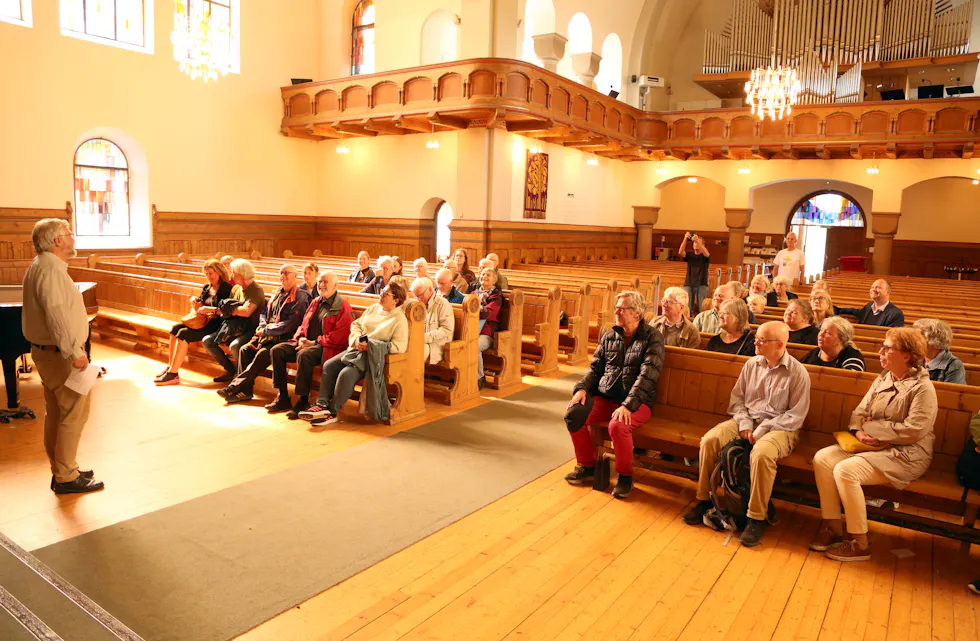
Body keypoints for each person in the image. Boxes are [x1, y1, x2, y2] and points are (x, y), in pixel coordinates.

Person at [809, 328, 937, 561]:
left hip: (907, 454)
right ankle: (834, 528)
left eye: (888, 348)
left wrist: (873, 429)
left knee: (846, 470)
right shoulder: (884, 378)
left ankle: (860, 543)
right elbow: (860, 412)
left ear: (906, 356)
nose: (881, 351)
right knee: (823, 459)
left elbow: (914, 430)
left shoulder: (923, 388)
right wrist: (859, 430)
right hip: (872, 446)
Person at [684, 322, 810, 546]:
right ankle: (704, 500)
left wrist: (762, 429)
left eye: (762, 340)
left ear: (780, 345)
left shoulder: (797, 372)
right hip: (747, 419)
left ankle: (756, 517)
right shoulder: (752, 364)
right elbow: (737, 400)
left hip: (781, 427)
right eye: (757, 338)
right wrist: (745, 423)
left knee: (761, 454)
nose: (755, 342)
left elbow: (795, 416)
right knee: (710, 440)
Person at [22, 219, 104, 494]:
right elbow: (57, 314)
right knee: (74, 411)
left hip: (49, 353)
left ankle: (62, 467)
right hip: (60, 355)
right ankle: (66, 477)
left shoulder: (42, 265)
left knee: (57, 412)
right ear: (57, 240)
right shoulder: (51, 270)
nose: (73, 237)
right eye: (70, 233)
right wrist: (74, 352)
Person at [564, 291, 665, 499]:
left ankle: (625, 476)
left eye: (622, 308)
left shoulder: (652, 338)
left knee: (617, 425)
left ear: (637, 313)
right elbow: (595, 369)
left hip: (638, 402)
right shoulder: (610, 335)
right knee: (574, 415)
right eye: (617, 307)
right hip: (607, 397)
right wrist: (582, 388)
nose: (617, 311)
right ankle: (588, 465)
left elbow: (648, 376)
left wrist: (628, 405)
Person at [299, 281, 410, 426]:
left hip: (372, 356)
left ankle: (332, 412)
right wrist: (357, 339)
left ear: (396, 300)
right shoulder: (374, 308)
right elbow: (356, 324)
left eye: (386, 293)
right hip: (357, 348)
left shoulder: (399, 319)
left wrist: (370, 346)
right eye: (382, 290)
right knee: (329, 365)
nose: (381, 294)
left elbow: (399, 346)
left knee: (346, 374)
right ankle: (321, 404)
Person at [218, 264, 311, 403]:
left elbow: (290, 324)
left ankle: (235, 385)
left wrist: (267, 330)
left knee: (264, 354)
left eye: (287, 273)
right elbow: (264, 313)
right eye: (281, 272)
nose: (283, 276)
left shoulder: (300, 297)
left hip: (285, 338)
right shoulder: (277, 293)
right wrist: (263, 326)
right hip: (268, 336)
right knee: (245, 350)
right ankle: (246, 391)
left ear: (295, 276)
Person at [267, 271, 354, 418]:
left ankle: (303, 400)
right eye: (320, 282)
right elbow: (303, 324)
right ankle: (282, 396)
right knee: (277, 350)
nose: (321, 285)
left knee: (304, 355)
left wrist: (314, 342)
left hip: (326, 347)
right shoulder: (316, 302)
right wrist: (300, 338)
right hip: (306, 343)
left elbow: (341, 336)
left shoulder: (342, 306)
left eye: (325, 282)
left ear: (335, 285)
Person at [156, 259, 234, 385]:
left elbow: (225, 311)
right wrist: (195, 302)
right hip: (204, 321)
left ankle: (173, 374)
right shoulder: (207, 287)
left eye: (211, 273)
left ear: (219, 272)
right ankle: (171, 367)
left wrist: (210, 310)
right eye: (206, 274)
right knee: (175, 329)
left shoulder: (225, 288)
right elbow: (200, 304)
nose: (209, 277)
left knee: (183, 333)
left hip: (217, 325)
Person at [203, 258, 266, 383]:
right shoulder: (236, 288)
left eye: (233, 273)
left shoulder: (256, 290)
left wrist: (231, 310)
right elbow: (226, 308)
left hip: (251, 329)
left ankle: (242, 379)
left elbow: (247, 312)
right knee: (208, 341)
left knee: (235, 346)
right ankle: (231, 370)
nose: (231, 276)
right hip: (234, 326)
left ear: (241, 274)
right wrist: (215, 310)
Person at [411, 277, 455, 364]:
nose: (418, 299)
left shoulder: (443, 304)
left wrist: (424, 337)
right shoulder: (417, 304)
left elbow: (446, 330)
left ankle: (413, 377)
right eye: (416, 296)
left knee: (414, 354)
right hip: (419, 341)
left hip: (436, 346)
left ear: (430, 289)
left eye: (420, 295)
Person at [801, 316, 866, 371]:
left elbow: (850, 382)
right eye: (821, 330)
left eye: (827, 333)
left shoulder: (853, 358)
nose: (821, 334)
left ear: (841, 339)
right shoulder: (814, 354)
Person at [913, 318, 967, 385]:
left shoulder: (954, 365)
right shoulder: (915, 358)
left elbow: (951, 393)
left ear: (933, 340)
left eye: (919, 337)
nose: (914, 340)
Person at [475, 267, 503, 389]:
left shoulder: (497, 296)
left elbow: (489, 313)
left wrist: (473, 309)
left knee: (473, 346)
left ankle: (479, 378)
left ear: (494, 280)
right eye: (483, 274)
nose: (484, 276)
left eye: (488, 275)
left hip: (487, 333)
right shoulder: (473, 293)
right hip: (471, 330)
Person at [838, 279, 905, 327]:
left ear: (888, 292)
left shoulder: (896, 314)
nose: (873, 289)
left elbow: (893, 338)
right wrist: (835, 309)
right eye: (872, 287)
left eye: (878, 287)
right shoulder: (869, 306)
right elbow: (855, 311)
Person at [678, 232, 710, 314]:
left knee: (702, 307)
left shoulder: (704, 256)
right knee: (688, 306)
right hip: (690, 282)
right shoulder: (690, 255)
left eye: (697, 243)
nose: (696, 244)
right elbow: (681, 252)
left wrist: (698, 240)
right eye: (694, 242)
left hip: (702, 283)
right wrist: (685, 238)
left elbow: (707, 254)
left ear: (702, 245)